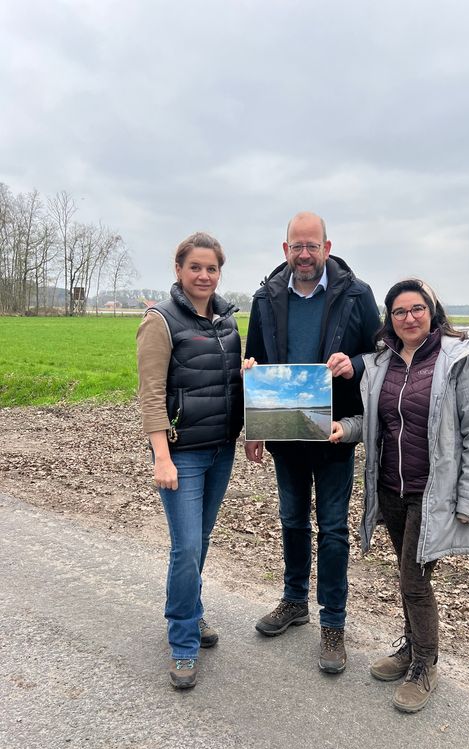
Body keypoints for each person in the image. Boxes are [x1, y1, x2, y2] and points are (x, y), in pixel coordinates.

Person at [329, 277, 469, 711]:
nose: (408, 318)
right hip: (390, 488)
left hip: (433, 493)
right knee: (409, 581)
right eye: (399, 311)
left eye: (417, 309)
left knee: (414, 582)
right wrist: (343, 429)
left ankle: (425, 664)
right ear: (390, 318)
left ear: (432, 311)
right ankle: (410, 649)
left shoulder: (458, 358)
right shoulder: (384, 361)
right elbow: (373, 422)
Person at [244, 211, 379, 674]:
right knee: (292, 521)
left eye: (312, 245)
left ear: (327, 246)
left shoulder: (357, 295)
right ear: (285, 250)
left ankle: (334, 626)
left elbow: (378, 352)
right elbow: (255, 361)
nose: (304, 254)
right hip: (285, 432)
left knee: (334, 530)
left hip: (335, 431)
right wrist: (257, 426)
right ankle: (294, 600)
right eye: (296, 246)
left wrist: (354, 365)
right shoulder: (265, 297)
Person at [136, 232, 243, 689]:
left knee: (200, 540)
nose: (204, 275)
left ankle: (191, 611)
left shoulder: (228, 322)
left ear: (220, 273)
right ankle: (182, 640)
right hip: (182, 454)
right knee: (186, 547)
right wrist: (162, 456)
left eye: (212, 268)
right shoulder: (160, 321)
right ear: (178, 270)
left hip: (221, 448)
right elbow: (151, 394)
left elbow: (225, 384)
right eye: (195, 267)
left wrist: (248, 388)